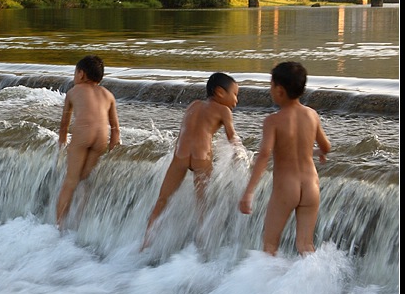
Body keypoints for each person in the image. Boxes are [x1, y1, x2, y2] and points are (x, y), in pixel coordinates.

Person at [239, 61, 331, 256]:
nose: (270, 90)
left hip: (286, 187)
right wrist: (315, 153)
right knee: (306, 246)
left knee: (270, 246)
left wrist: (249, 192)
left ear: (279, 90)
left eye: (271, 85)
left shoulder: (273, 121)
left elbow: (264, 155)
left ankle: (269, 286)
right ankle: (312, 284)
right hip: (311, 186)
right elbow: (326, 147)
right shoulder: (312, 115)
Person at [142, 72, 240, 250]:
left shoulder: (193, 105)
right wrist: (240, 157)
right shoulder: (224, 110)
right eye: (234, 94)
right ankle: (202, 246)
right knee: (202, 204)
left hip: (180, 156)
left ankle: (146, 242)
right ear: (219, 92)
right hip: (201, 158)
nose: (236, 100)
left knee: (162, 199)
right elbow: (232, 138)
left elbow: (182, 133)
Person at [55, 55, 120, 229]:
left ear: (81, 74)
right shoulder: (109, 95)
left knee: (70, 181)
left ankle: (59, 226)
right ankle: (78, 222)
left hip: (83, 134)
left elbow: (64, 124)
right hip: (101, 138)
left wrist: (62, 144)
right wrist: (113, 147)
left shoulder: (73, 92)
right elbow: (115, 128)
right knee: (84, 179)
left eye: (75, 73)